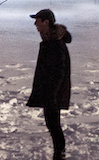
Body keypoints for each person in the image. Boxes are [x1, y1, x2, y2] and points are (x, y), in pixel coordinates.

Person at [27, 9, 72, 160]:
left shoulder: (55, 44)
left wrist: (52, 94)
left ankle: (59, 154)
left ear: (46, 22)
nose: (35, 24)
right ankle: (59, 153)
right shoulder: (49, 42)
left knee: (53, 125)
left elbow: (59, 72)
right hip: (50, 92)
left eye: (38, 20)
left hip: (53, 93)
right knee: (52, 124)